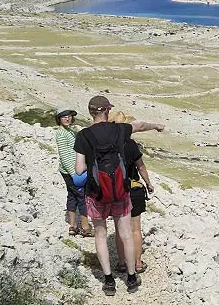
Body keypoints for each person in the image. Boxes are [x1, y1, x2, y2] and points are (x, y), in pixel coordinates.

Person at [74, 95, 165, 295]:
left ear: (90, 112)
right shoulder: (119, 130)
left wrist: (94, 166)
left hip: (96, 194)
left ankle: (109, 282)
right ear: (107, 110)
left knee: (100, 235)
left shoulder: (83, 136)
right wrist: (157, 126)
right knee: (126, 234)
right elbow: (140, 125)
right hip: (121, 192)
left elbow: (79, 169)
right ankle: (131, 278)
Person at [114, 139, 154, 275]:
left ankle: (121, 263)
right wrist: (148, 184)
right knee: (135, 229)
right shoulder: (130, 144)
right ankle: (137, 263)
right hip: (133, 189)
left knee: (119, 229)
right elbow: (141, 167)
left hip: (116, 191)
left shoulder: (107, 142)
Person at [54, 107, 92, 237]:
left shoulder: (70, 131)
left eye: (69, 116)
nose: (67, 118)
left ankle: (73, 226)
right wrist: (75, 174)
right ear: (59, 119)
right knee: (82, 196)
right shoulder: (61, 133)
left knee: (72, 196)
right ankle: (85, 227)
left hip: (72, 170)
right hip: (72, 171)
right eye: (64, 116)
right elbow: (64, 155)